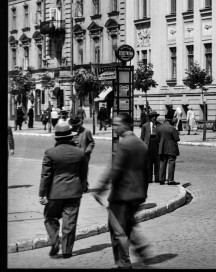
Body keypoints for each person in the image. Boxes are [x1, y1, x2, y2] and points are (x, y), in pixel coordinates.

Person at [90, 112, 154, 268]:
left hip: (122, 196)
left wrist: (100, 189)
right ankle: (140, 248)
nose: (114, 127)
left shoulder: (125, 144)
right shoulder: (141, 144)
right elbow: (147, 172)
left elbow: (115, 169)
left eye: (117, 125)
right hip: (137, 195)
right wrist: (143, 194)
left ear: (126, 125)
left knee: (117, 230)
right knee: (128, 223)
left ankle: (123, 264)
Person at [39, 119, 88, 260]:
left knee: (49, 218)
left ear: (57, 138)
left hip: (55, 192)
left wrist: (42, 194)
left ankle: (54, 241)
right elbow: (83, 173)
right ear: (70, 136)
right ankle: (67, 251)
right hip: (74, 191)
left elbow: (46, 175)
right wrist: (83, 187)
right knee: (70, 222)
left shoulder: (50, 153)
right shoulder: (80, 152)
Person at [156, 113, 181, 185]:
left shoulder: (159, 127)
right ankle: (170, 180)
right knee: (171, 163)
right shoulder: (172, 128)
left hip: (162, 148)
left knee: (162, 162)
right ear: (170, 119)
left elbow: (157, 138)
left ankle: (161, 179)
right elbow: (177, 139)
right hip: (171, 148)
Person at [140, 111, 161, 184]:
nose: (154, 118)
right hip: (148, 145)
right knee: (149, 162)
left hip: (156, 144)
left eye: (155, 116)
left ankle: (157, 178)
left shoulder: (159, 125)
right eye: (153, 116)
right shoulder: (145, 126)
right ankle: (149, 178)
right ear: (150, 118)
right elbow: (142, 137)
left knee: (157, 162)